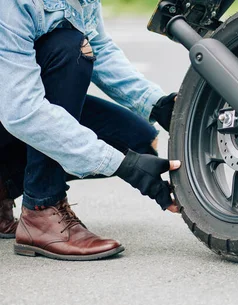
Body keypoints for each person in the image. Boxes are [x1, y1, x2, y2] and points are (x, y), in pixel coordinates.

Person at [0, 0, 182, 261]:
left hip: (15, 106)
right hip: (13, 106)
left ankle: (3, 187)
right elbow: (22, 111)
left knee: (137, 139)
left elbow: (99, 48)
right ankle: (42, 206)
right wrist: (123, 165)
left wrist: (157, 105)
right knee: (69, 47)